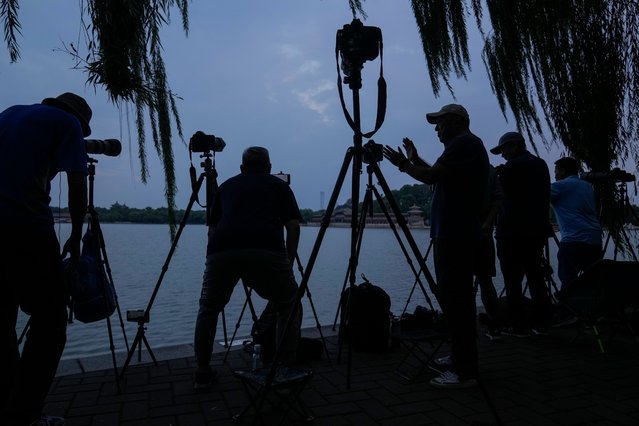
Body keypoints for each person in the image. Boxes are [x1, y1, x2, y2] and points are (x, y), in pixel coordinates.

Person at [384, 103, 489, 389]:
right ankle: (458, 357)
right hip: (454, 233)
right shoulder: (465, 146)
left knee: (457, 302)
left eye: (440, 123)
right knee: (455, 301)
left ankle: (465, 371)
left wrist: (404, 165)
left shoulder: (463, 143)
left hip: (455, 235)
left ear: (455, 121)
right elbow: (440, 175)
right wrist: (416, 158)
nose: (436, 128)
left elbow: (430, 177)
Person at [0, 93, 91, 426]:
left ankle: (8, 404)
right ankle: (24, 415)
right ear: (79, 124)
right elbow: (77, 186)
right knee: (51, 321)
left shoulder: (9, 112)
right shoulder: (68, 125)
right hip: (25, 226)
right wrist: (77, 236)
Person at [193, 146, 302, 390]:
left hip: (222, 250)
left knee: (209, 308)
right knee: (288, 304)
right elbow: (293, 227)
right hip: (266, 250)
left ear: (242, 168)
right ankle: (285, 367)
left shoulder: (225, 187)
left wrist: (215, 261)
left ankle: (202, 371)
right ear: (270, 168)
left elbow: (211, 229)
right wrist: (288, 264)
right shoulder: (279, 186)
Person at [490, 131, 553, 337]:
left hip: (512, 231)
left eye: (504, 150)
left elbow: (500, 195)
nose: (503, 156)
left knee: (512, 279)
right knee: (536, 276)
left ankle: (518, 325)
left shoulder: (512, 167)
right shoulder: (541, 164)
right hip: (537, 230)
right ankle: (543, 322)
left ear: (515, 146)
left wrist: (498, 175)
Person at [550, 157, 603, 289]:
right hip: (594, 241)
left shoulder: (561, 186)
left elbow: (534, 194)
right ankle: (591, 308)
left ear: (562, 171)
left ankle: (569, 308)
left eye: (556, 171)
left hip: (573, 241)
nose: (555, 175)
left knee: (568, 282)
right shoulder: (587, 186)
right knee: (593, 281)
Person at [475, 164, 505, 341]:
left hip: (459, 233)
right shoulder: (490, 169)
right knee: (486, 280)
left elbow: (432, 175)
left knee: (457, 283)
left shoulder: (454, 161)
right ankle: (495, 326)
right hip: (484, 231)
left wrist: (408, 164)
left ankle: (462, 331)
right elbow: (499, 198)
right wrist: (488, 222)